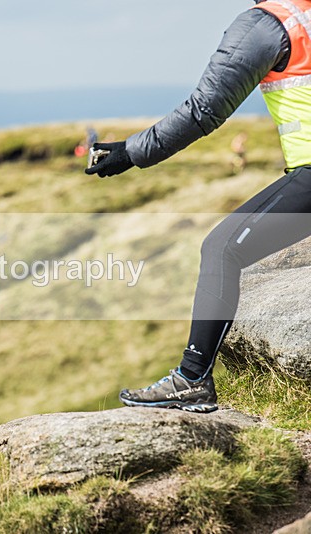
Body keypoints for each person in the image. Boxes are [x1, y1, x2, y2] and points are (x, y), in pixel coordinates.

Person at [86, 0, 311, 413]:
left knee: (223, 248)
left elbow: (203, 111)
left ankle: (191, 379)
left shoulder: (269, 24)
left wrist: (129, 153)